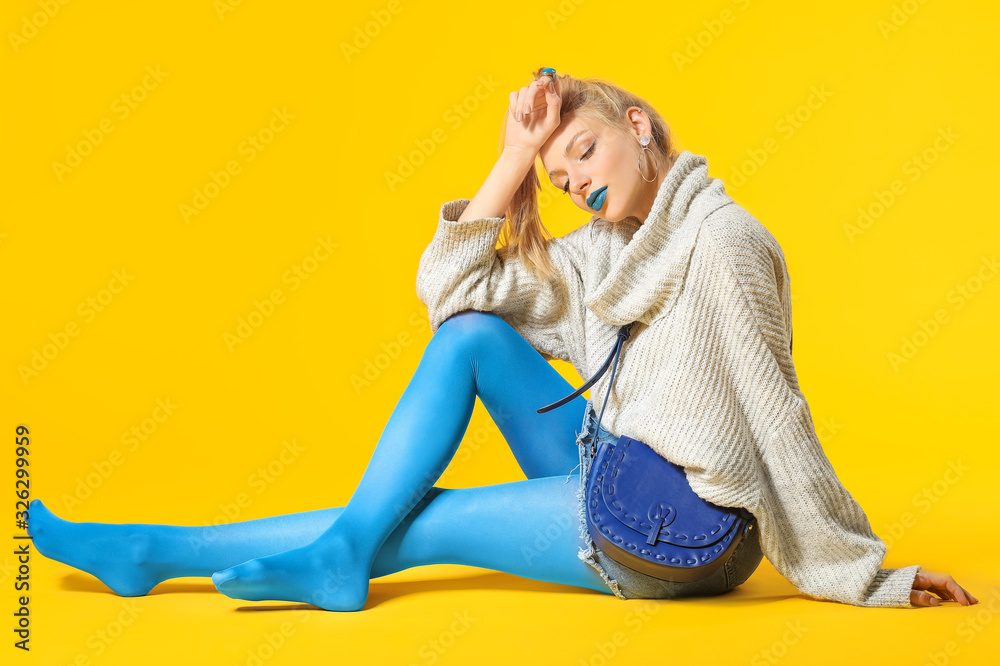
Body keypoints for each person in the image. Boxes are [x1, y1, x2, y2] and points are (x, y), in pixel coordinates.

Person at [26, 68, 977, 612]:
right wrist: (515, 156)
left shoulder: (725, 241)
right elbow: (451, 291)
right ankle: (282, 550)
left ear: (637, 127)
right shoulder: (601, 254)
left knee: (418, 526)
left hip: (679, 528)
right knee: (475, 336)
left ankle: (162, 554)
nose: (578, 184)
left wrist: (867, 572)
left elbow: (777, 410)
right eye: (560, 178)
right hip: (615, 463)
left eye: (585, 155)